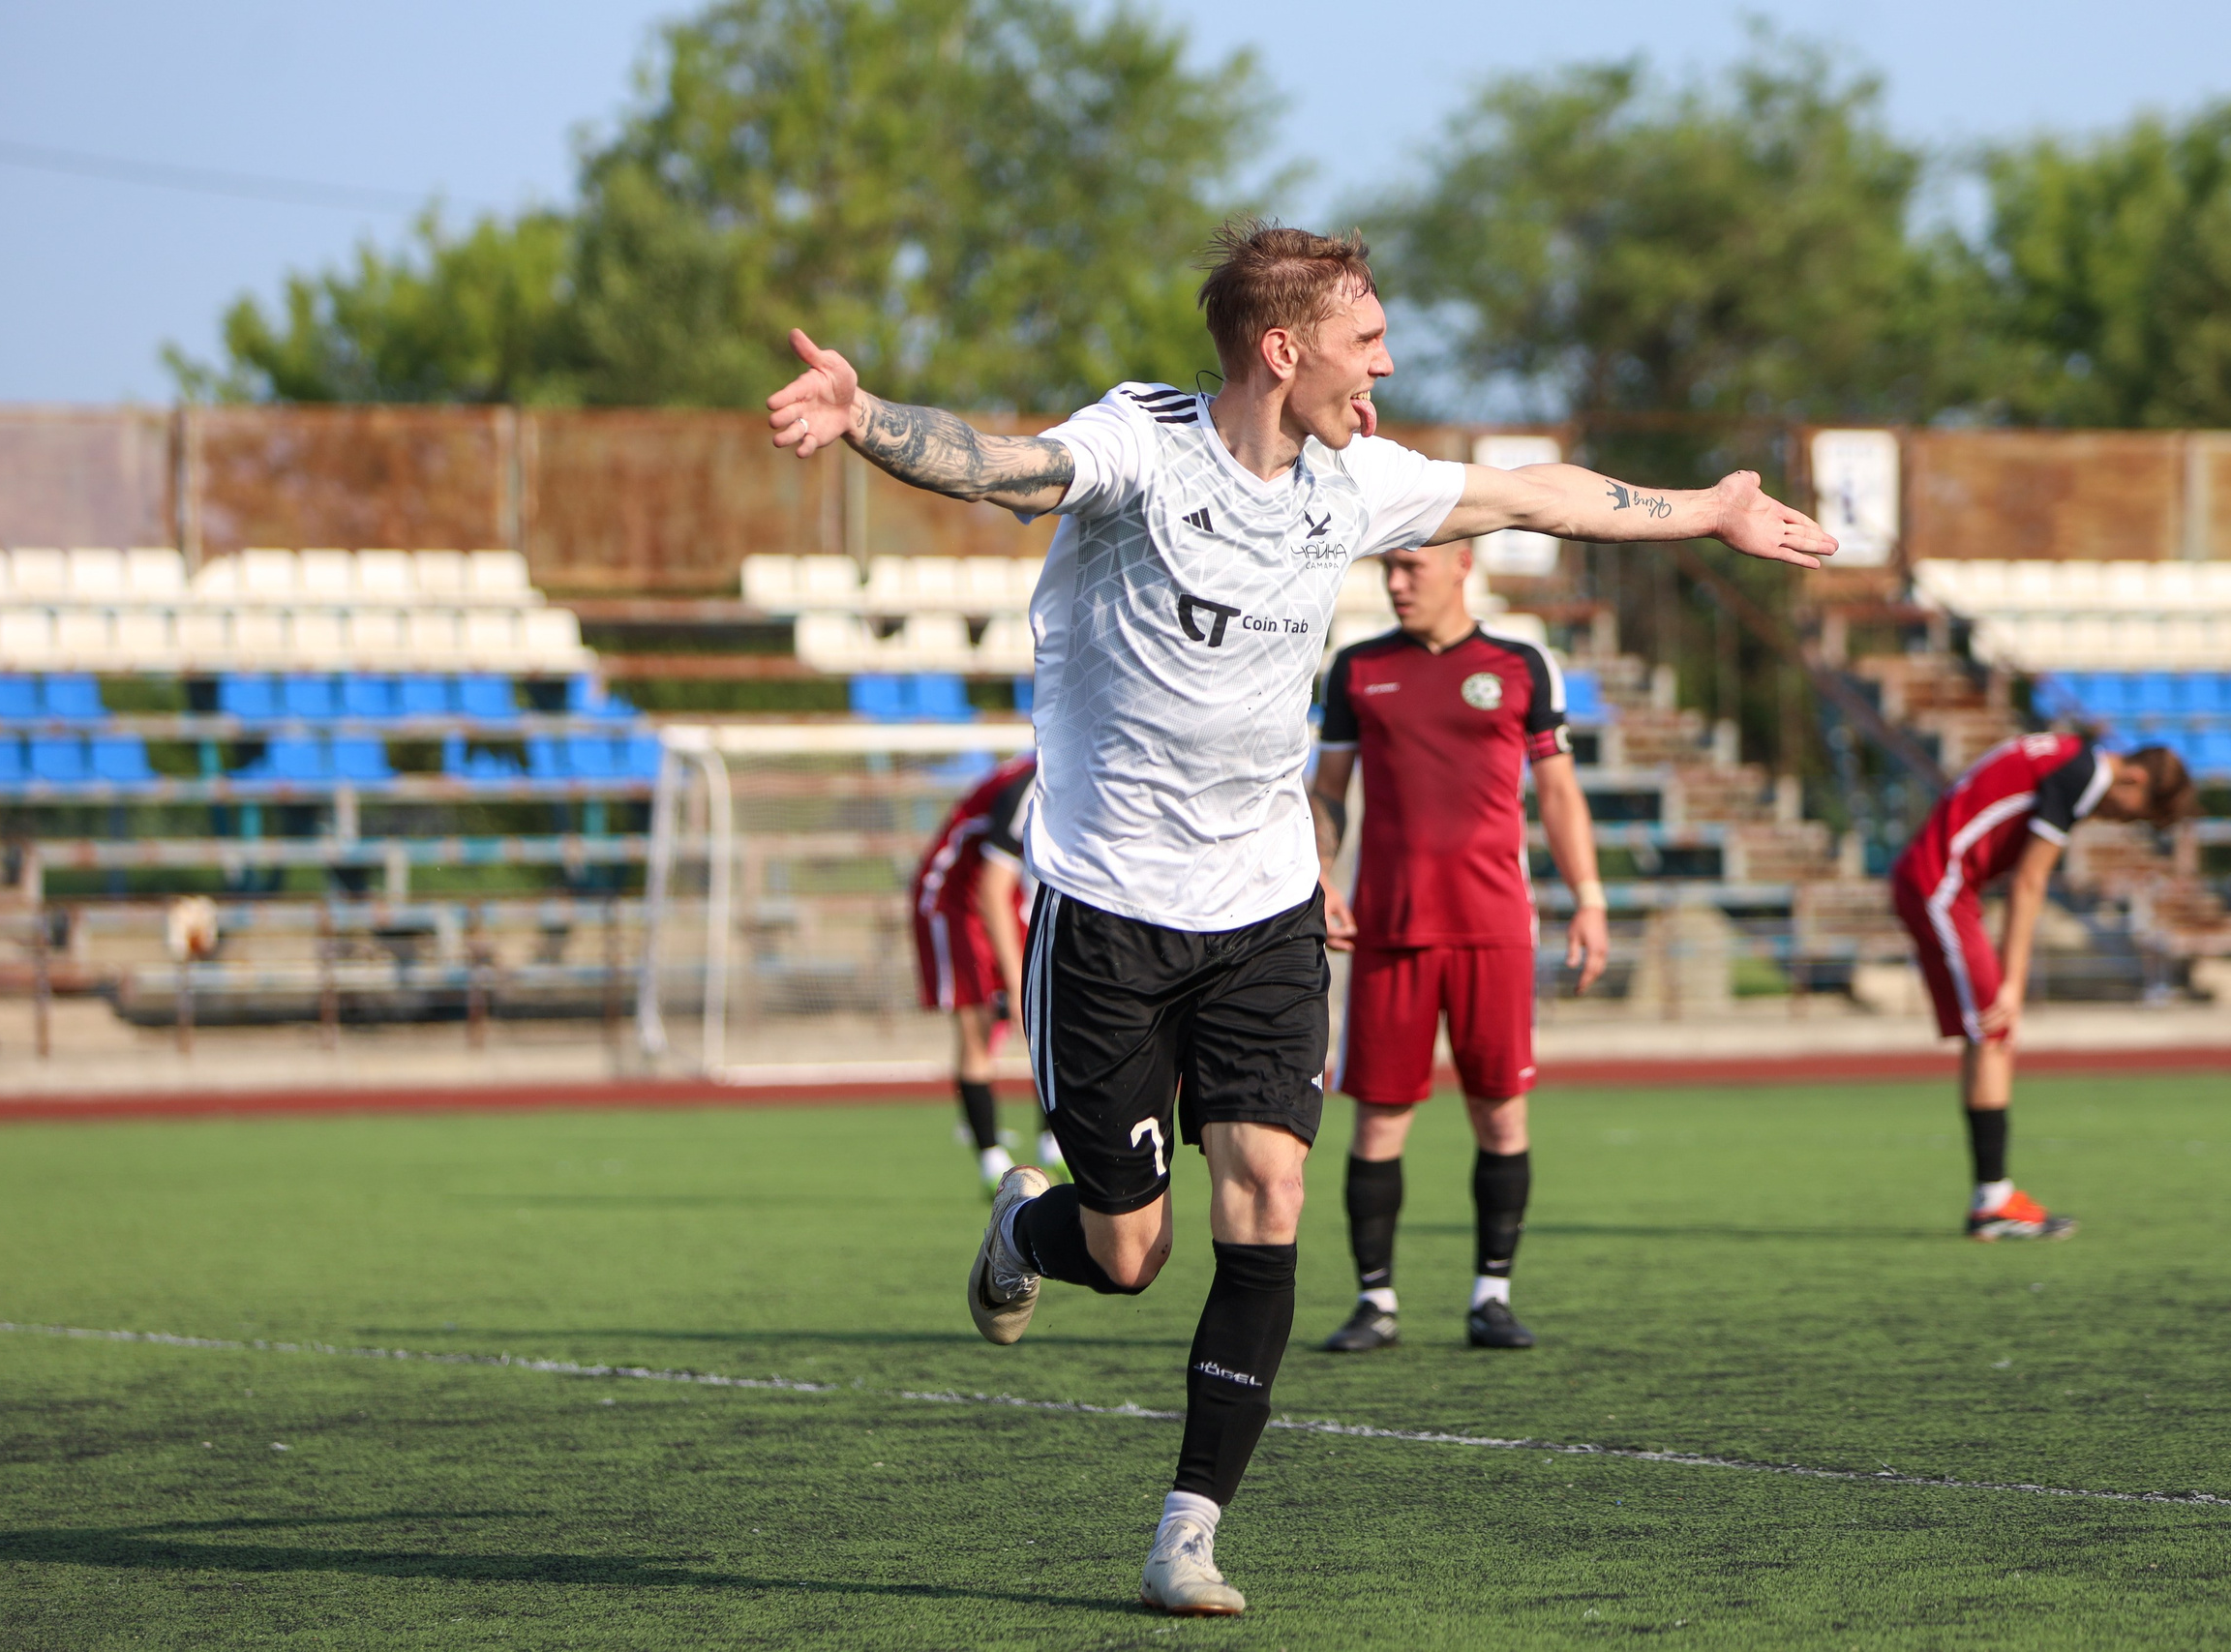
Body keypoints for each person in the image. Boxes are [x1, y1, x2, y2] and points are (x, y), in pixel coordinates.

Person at [767, 221, 1833, 1617]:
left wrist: (1706, 509)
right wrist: (865, 421)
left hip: (1267, 908)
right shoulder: (1140, 446)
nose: (1385, 364)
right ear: (1285, 348)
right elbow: (1000, 464)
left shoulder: (1356, 482)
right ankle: (1028, 1232)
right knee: (1129, 1248)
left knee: (1268, 1201)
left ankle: (1187, 1529)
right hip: (1108, 909)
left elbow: (1532, 493)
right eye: (1367, 339)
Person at [1309, 538, 1608, 1356]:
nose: (1397, 583)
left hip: (1494, 928)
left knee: (1500, 1112)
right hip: (1389, 928)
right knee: (1378, 1121)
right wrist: (1321, 878)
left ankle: (1492, 1295)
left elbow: (1557, 792)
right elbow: (1326, 793)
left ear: (1461, 561)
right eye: (1387, 570)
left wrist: (1589, 898)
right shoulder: (1357, 669)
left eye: (1410, 567)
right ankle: (1376, 1302)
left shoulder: (1520, 663)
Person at [1889, 734, 2193, 1240]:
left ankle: (1993, 1196)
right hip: (1941, 885)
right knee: (1995, 1029)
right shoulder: (2078, 777)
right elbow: (2029, 883)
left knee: (1987, 1036)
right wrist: (2014, 983)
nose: (2122, 822)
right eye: (2134, 814)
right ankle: (1992, 1202)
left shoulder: (2066, 751)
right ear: (2134, 779)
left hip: (1940, 881)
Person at [910, 754, 1056, 1188]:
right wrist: (1015, 984)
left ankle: (1054, 1142)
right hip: (956, 899)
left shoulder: (1076, 770)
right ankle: (991, 1162)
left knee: (1049, 1013)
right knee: (979, 1024)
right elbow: (991, 888)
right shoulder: (1033, 782)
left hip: (1005, 895)